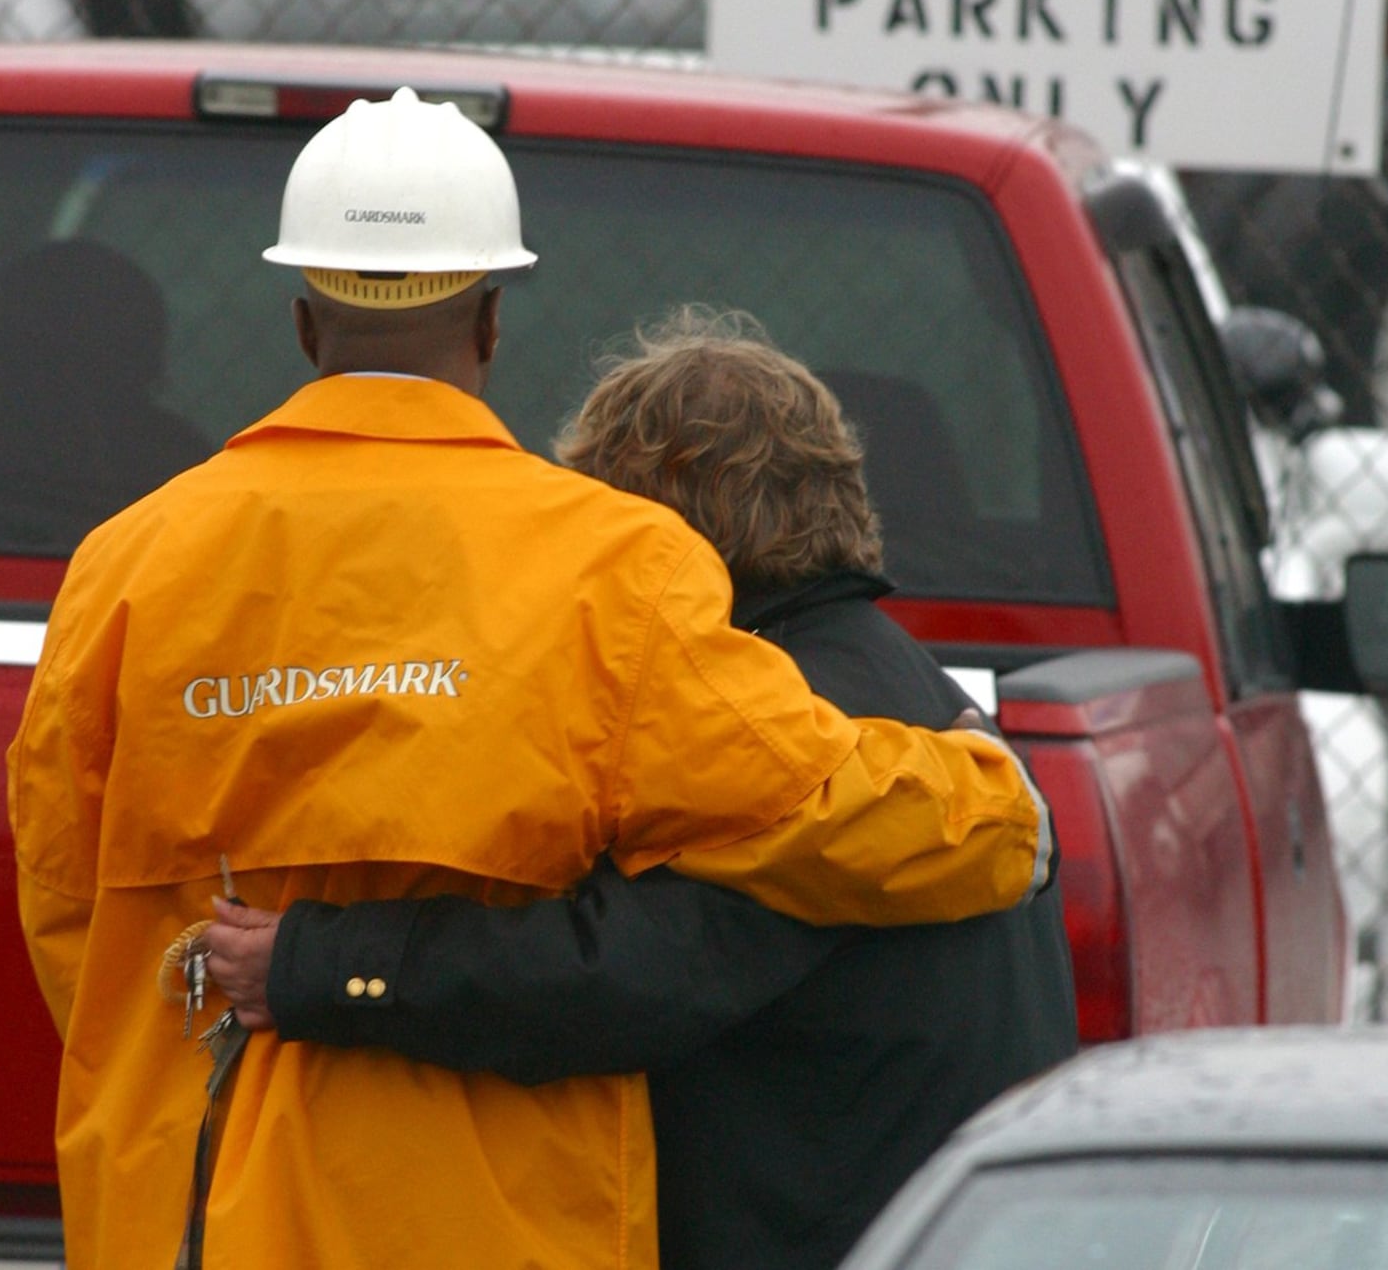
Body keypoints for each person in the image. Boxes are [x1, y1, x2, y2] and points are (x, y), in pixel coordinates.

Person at [7, 89, 1052, 1270]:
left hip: (190, 1211)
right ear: (492, 323)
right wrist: (993, 808)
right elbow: (801, 806)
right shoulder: (610, 568)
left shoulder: (128, 565)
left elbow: (66, 904)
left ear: (304, 324)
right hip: (489, 1225)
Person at [206, 310, 1078, 1269]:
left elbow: (614, 979)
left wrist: (319, 965)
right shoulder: (915, 697)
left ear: (641, 530)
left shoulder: (783, 725)